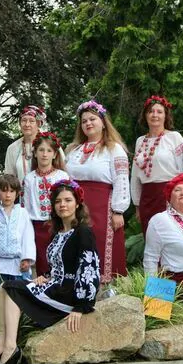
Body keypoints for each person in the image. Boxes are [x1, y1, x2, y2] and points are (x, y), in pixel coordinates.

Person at [0, 179, 100, 364]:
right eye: (58, 201)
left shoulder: (83, 232)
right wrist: (45, 275)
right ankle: (2, 343)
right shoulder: (58, 232)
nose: (62, 205)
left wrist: (81, 306)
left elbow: (89, 268)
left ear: (78, 203)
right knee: (5, 287)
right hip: (54, 286)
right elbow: (60, 265)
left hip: (68, 294)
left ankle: (11, 348)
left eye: (68, 200)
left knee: (12, 288)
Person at [65, 100, 129, 283]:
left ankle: (104, 290)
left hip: (103, 207)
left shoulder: (114, 149)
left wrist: (118, 210)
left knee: (100, 245)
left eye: (92, 119)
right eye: (84, 121)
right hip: (76, 207)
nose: (88, 123)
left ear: (102, 122)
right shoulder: (73, 150)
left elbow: (122, 180)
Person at [130, 95, 183, 235]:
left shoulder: (174, 137)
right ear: (145, 115)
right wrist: (137, 204)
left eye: (159, 112)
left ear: (165, 116)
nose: (155, 115)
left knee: (171, 236)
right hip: (147, 198)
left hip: (170, 195)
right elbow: (135, 175)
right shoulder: (140, 141)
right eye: (151, 111)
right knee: (151, 238)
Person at [142, 173, 183, 313]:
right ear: (169, 197)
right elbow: (151, 258)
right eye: (177, 190)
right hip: (180, 279)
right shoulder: (159, 220)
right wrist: (155, 305)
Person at [21, 131, 69, 276]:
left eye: (49, 151)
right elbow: (25, 207)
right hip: (37, 227)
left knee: (60, 260)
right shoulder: (29, 179)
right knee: (42, 263)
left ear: (55, 154)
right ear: (35, 153)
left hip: (58, 225)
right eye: (41, 150)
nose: (44, 154)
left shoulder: (62, 176)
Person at [0, 175, 35, 295]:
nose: (8, 195)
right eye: (4, 190)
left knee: (22, 297)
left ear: (17, 194)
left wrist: (27, 258)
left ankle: (21, 314)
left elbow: (28, 237)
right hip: (0, 265)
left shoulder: (23, 213)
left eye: (11, 191)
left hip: (19, 265)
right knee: (1, 295)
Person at [4, 105, 45, 181]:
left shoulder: (49, 144)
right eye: (24, 120)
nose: (27, 124)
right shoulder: (12, 148)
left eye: (31, 121)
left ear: (38, 123)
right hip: (21, 191)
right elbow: (9, 178)